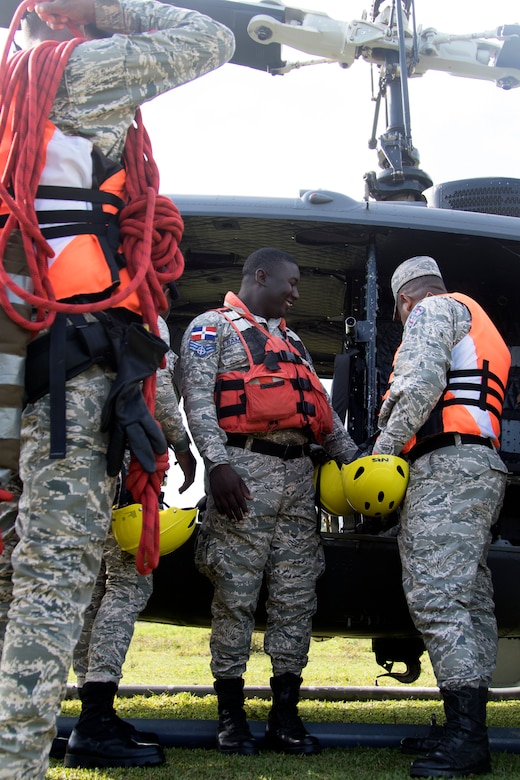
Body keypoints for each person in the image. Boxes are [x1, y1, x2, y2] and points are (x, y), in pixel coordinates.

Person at [0, 3, 234, 779]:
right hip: (62, 376)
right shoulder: (70, 75)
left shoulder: (12, 94)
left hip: (16, 362)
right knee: (53, 583)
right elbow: (212, 39)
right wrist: (112, 10)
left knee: (11, 580)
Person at [181, 247, 358, 756]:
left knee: (296, 598)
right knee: (234, 597)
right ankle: (231, 717)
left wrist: (359, 463)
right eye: (292, 283)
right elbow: (196, 400)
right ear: (261, 276)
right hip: (244, 476)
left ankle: (285, 716)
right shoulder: (209, 328)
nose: (297, 294)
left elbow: (325, 418)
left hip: (299, 482)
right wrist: (216, 465)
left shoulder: (294, 342)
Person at [373, 255, 511, 778]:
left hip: (447, 468)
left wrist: (381, 457)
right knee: (470, 600)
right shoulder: (474, 318)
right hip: (479, 466)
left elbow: (416, 386)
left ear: (405, 300)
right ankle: (466, 731)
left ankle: (467, 739)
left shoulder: (431, 313)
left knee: (435, 596)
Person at [64, 315, 197, 769]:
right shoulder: (140, 311)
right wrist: (181, 443)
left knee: (95, 589)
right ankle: (96, 719)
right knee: (127, 583)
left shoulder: (76, 305)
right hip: (121, 464)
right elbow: (155, 387)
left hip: (73, 464)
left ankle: (91, 714)